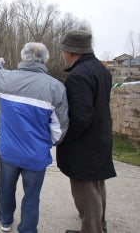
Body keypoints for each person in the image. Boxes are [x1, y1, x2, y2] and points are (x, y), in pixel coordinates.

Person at [0, 42, 69, 233]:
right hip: (36, 154)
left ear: (23, 57)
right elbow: (59, 127)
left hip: (8, 151)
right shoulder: (56, 88)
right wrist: (48, 143)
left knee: (6, 187)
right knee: (32, 195)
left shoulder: (5, 79)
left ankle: (5, 221)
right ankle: (27, 229)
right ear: (45, 60)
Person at [56, 30, 117, 233]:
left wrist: (64, 137)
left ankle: (92, 229)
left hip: (84, 145)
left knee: (86, 191)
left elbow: (81, 117)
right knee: (97, 186)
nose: (62, 54)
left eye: (63, 50)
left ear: (72, 52)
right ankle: (100, 225)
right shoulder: (101, 70)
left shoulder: (78, 76)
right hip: (99, 138)